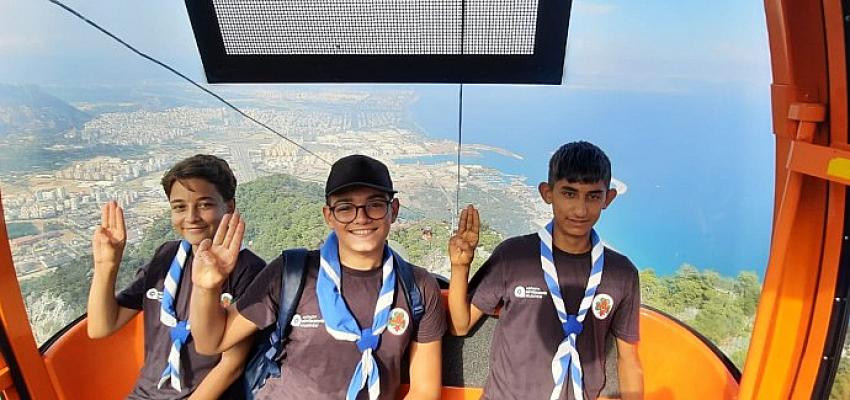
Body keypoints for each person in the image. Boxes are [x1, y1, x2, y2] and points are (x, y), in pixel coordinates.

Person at [188, 154, 445, 400]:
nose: (361, 218)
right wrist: (205, 288)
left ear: (394, 210)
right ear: (328, 216)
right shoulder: (291, 273)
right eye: (345, 208)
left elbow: (425, 390)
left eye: (375, 205)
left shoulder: (418, 287)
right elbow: (212, 342)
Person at [447, 141, 644, 400]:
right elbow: (460, 326)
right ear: (547, 193)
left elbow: (628, 359)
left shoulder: (621, 273)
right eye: (569, 194)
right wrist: (460, 267)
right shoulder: (513, 256)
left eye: (593, 196)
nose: (580, 209)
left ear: (608, 198)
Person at [87, 154, 265, 399]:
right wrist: (106, 264)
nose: (191, 217)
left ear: (229, 206)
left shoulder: (250, 271)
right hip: (145, 394)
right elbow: (101, 327)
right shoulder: (166, 257)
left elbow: (231, 366)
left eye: (205, 205)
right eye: (179, 207)